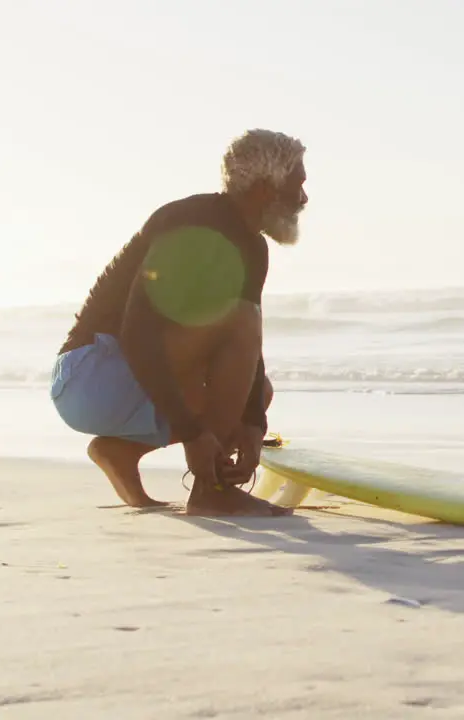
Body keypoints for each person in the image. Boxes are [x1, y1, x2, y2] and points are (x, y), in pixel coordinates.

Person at [49, 129, 308, 516]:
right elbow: (139, 333)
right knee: (239, 320)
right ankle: (212, 489)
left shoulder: (253, 246)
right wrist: (192, 434)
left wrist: (255, 422)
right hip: (90, 375)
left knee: (258, 393)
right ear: (264, 187)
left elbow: (249, 352)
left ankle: (120, 451)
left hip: (127, 381)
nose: (303, 198)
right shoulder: (192, 223)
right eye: (297, 184)